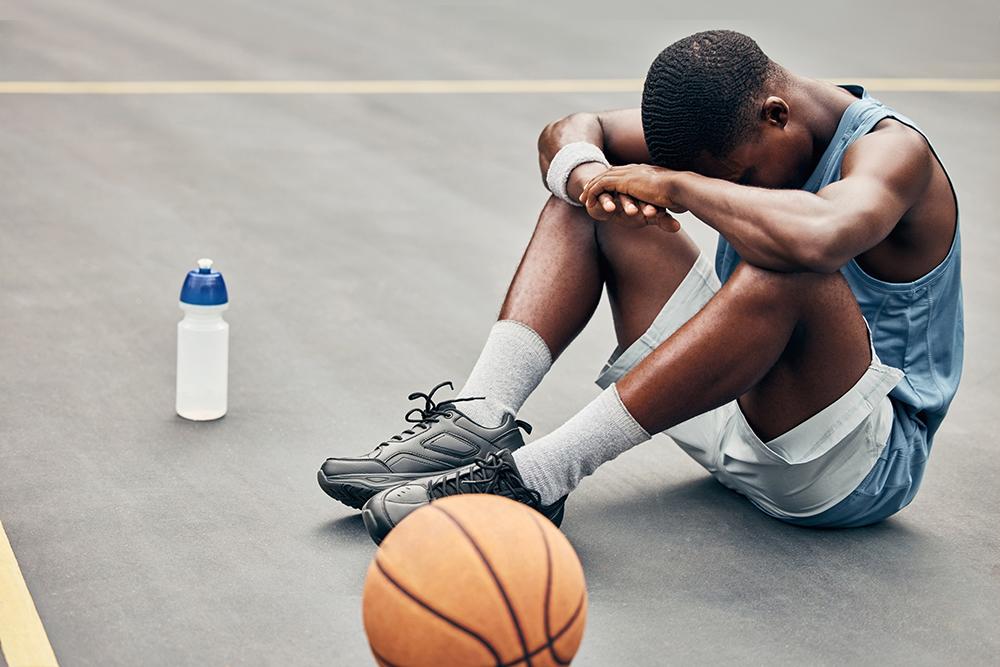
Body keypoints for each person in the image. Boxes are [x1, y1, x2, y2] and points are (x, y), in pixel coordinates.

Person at [317, 29, 963, 545]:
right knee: (590, 199)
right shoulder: (737, 125)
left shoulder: (895, 153)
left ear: (777, 114)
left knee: (787, 262)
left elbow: (823, 236)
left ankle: (536, 479)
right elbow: (569, 130)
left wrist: (680, 187)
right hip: (728, 406)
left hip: (850, 467)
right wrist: (590, 177)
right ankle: (478, 418)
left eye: (744, 177)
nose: (740, 191)